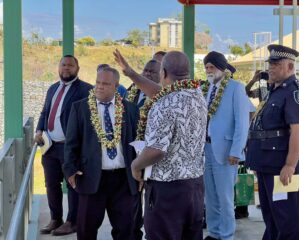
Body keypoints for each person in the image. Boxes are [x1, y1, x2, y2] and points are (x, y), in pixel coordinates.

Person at [129, 51, 207, 239]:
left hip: (167, 191)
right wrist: (131, 73)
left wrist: (135, 165)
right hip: (195, 186)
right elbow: (163, 93)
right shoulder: (197, 95)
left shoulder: (163, 104)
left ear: (163, 73)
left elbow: (156, 151)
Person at [63, 67, 143, 240]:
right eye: (97, 82)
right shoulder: (80, 108)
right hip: (91, 178)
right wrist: (70, 170)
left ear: (116, 86)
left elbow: (138, 143)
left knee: (127, 230)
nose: (99, 87)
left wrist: (141, 172)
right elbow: (70, 144)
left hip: (123, 180)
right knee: (86, 230)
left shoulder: (130, 109)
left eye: (105, 84)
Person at [246, 44, 299, 240]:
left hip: (281, 169)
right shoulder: (273, 92)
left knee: (287, 218)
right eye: (270, 64)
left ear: (290, 67)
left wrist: (290, 165)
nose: (271, 67)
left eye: (276, 64)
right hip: (266, 164)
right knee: (270, 216)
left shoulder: (292, 93)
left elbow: (297, 131)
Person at [35, 55, 93, 235]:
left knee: (72, 185)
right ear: (58, 67)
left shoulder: (86, 90)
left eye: (70, 65)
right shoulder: (53, 88)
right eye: (63, 65)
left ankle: (72, 221)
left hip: (71, 149)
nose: (66, 68)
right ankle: (55, 219)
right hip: (50, 147)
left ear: (77, 68)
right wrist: (38, 130)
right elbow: (45, 111)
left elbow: (88, 121)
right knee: (51, 184)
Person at [202, 51, 249, 240]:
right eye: (206, 67)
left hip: (227, 151)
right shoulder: (206, 89)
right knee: (211, 197)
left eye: (212, 67)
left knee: (225, 198)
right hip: (207, 149)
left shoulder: (236, 88)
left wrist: (236, 151)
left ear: (221, 67)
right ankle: (214, 233)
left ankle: (227, 235)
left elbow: (242, 123)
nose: (209, 71)